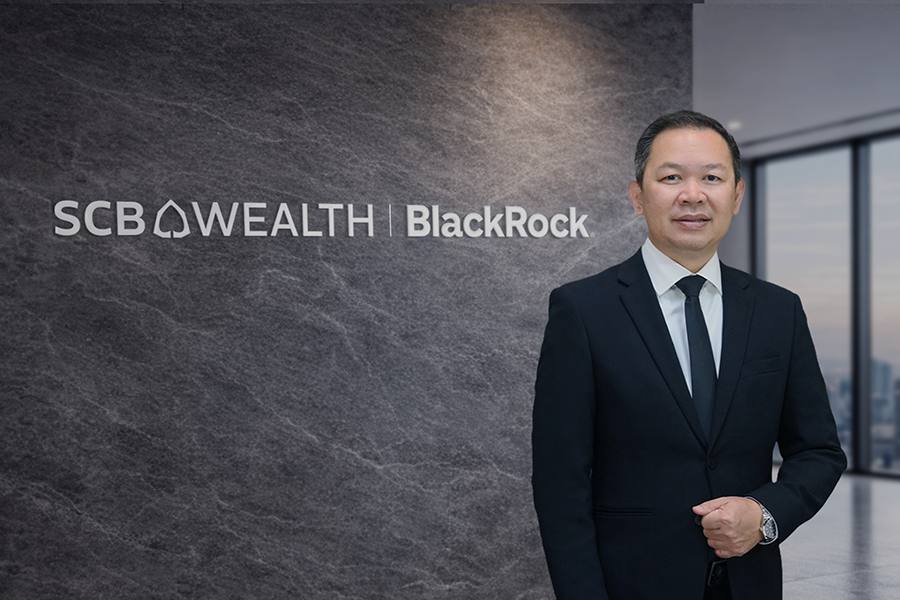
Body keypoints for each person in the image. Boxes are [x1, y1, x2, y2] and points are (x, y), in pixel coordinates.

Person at [531, 110, 846, 600]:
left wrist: (764, 515)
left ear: (736, 196)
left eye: (712, 178)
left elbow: (818, 451)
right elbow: (561, 481)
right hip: (631, 586)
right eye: (671, 177)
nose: (693, 195)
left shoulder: (778, 310)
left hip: (749, 584)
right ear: (638, 196)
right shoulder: (583, 310)